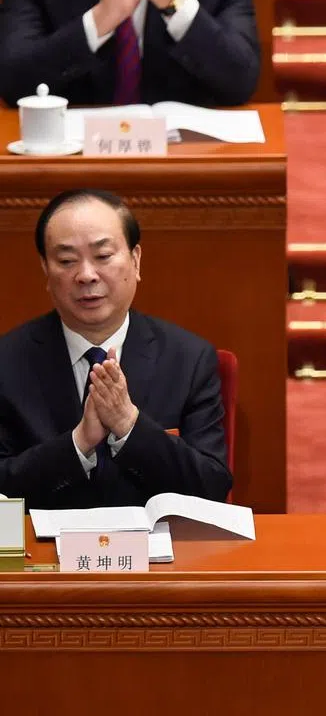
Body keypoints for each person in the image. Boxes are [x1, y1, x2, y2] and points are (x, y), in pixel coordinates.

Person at [0, 188, 231, 508]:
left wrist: (128, 425)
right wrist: (78, 444)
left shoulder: (188, 359)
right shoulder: (8, 362)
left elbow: (212, 486)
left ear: (135, 260)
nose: (86, 275)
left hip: (158, 554)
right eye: (67, 260)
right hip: (46, 553)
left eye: (103, 256)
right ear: (46, 271)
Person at [0, 0, 259, 107]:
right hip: (73, 166)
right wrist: (100, 20)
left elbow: (241, 80)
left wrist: (174, 0)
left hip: (181, 165)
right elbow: (12, 82)